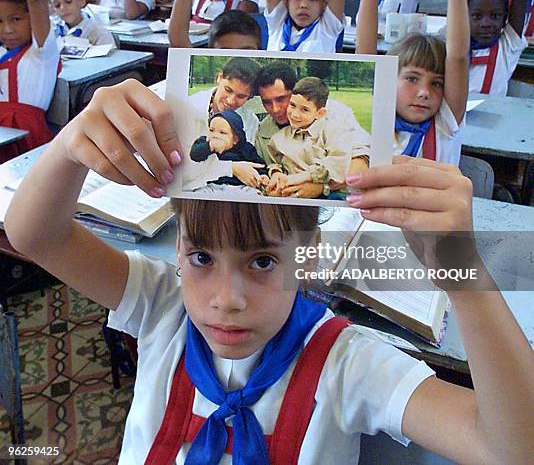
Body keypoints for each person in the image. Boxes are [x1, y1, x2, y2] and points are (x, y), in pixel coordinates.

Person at [5, 80, 534, 464]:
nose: (226, 299)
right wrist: (72, 142)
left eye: (261, 261)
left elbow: (509, 447)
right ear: (179, 248)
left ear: (307, 253)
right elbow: (35, 235)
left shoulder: (345, 362)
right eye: (202, 258)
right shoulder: (164, 306)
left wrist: (462, 275)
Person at [357, 0, 470, 165]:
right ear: (388, 80)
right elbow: (364, 54)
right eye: (412, 78)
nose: (424, 92)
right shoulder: (377, 120)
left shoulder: (444, 125)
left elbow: (458, 57)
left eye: (437, 83)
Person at [255, 61, 370, 198]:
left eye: (281, 99)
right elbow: (272, 167)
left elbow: (361, 162)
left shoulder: (336, 114)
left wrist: (322, 187)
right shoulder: (264, 132)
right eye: (267, 102)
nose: (275, 109)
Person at [0, 0, 60, 161]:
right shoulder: (4, 54)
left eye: (15, 19)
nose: (7, 29)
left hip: (29, 141)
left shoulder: (41, 52)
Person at [181, 57, 263, 191]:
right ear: (219, 77)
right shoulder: (189, 109)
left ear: (250, 97)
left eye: (241, 96)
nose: (231, 101)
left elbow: (246, 163)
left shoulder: (249, 121)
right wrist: (231, 168)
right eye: (228, 90)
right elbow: (184, 170)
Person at [265, 77, 352, 199]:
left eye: (304, 110)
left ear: (320, 113)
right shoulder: (278, 138)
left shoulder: (331, 131)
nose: (295, 114)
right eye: (292, 105)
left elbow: (338, 164)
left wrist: (307, 176)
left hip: (326, 192)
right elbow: (274, 162)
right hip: (289, 191)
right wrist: (276, 173)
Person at [190, 109, 268, 191]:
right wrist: (209, 146)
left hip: (239, 187)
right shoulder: (205, 142)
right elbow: (194, 155)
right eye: (211, 130)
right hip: (212, 185)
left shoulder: (245, 148)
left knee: (253, 193)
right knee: (201, 192)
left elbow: (257, 164)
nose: (215, 136)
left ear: (235, 139)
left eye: (222, 132)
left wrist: (263, 175)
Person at [49, 0, 116, 46]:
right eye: (57, 5)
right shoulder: (52, 31)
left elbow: (112, 56)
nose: (62, 8)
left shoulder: (100, 34)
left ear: (81, 1)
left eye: (68, 1)